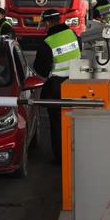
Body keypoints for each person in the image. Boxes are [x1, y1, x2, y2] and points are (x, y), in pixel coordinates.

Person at [33, 9, 81, 162]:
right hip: (76, 83)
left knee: (57, 124)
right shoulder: (72, 34)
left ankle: (61, 159)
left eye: (44, 24)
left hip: (56, 87)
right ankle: (76, 154)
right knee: (74, 121)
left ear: (47, 23)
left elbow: (41, 70)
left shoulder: (48, 42)